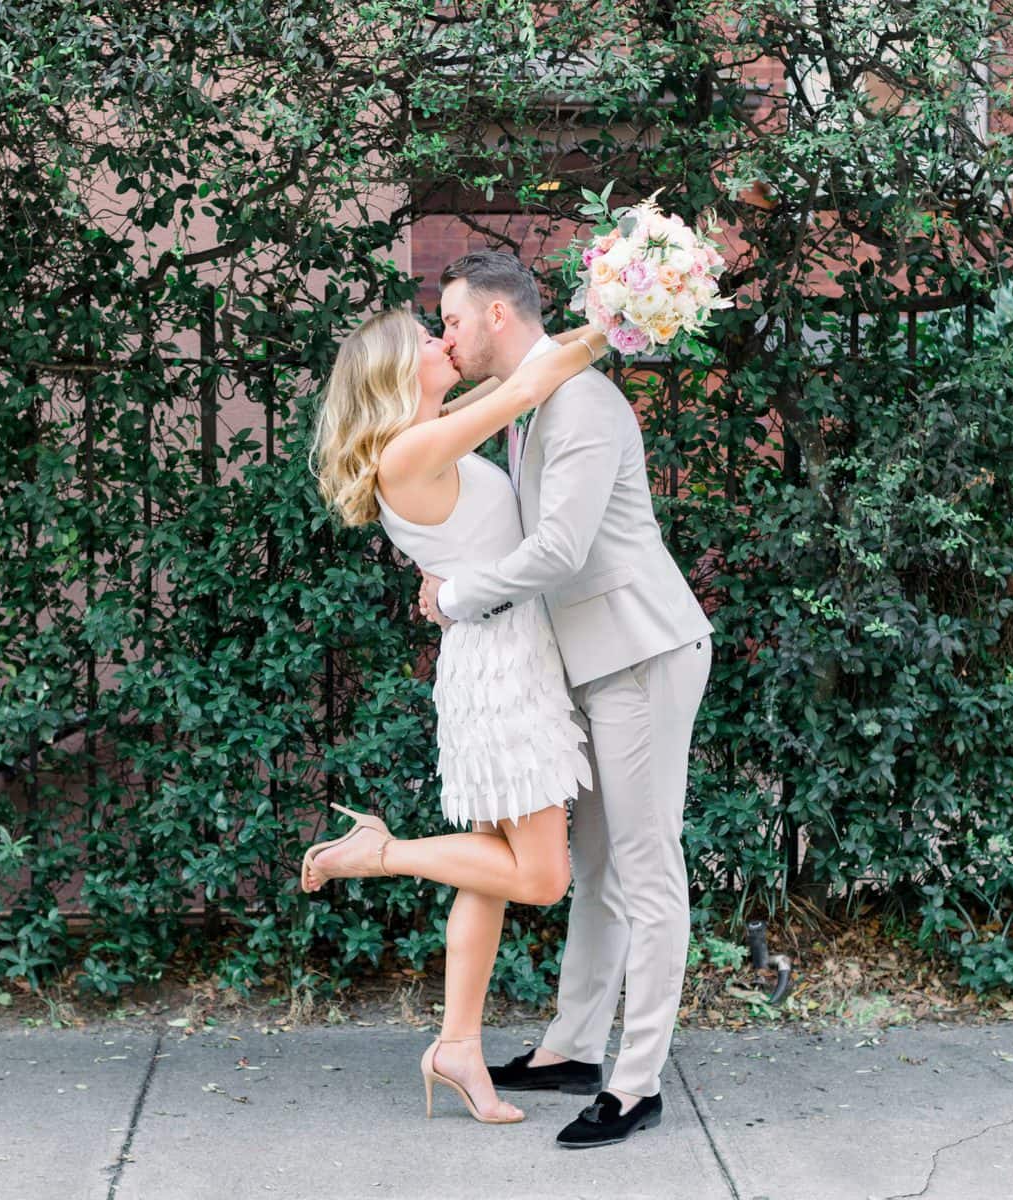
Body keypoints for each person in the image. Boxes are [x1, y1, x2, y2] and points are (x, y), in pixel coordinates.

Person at [418, 250, 714, 1150]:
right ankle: (574, 1049)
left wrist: (458, 596)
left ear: (500, 316)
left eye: (455, 320)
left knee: (645, 866)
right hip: (581, 663)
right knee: (594, 865)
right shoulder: (533, 396)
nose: (449, 335)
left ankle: (636, 1083)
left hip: (641, 653)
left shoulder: (582, 403)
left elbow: (559, 549)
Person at [305, 301, 612, 1126]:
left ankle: (458, 1045)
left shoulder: (422, 444)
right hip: (503, 675)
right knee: (542, 878)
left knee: (489, 865)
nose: (445, 342)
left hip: (497, 657)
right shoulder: (412, 447)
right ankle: (379, 852)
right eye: (427, 340)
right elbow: (535, 379)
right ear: (395, 374)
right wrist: (623, 313)